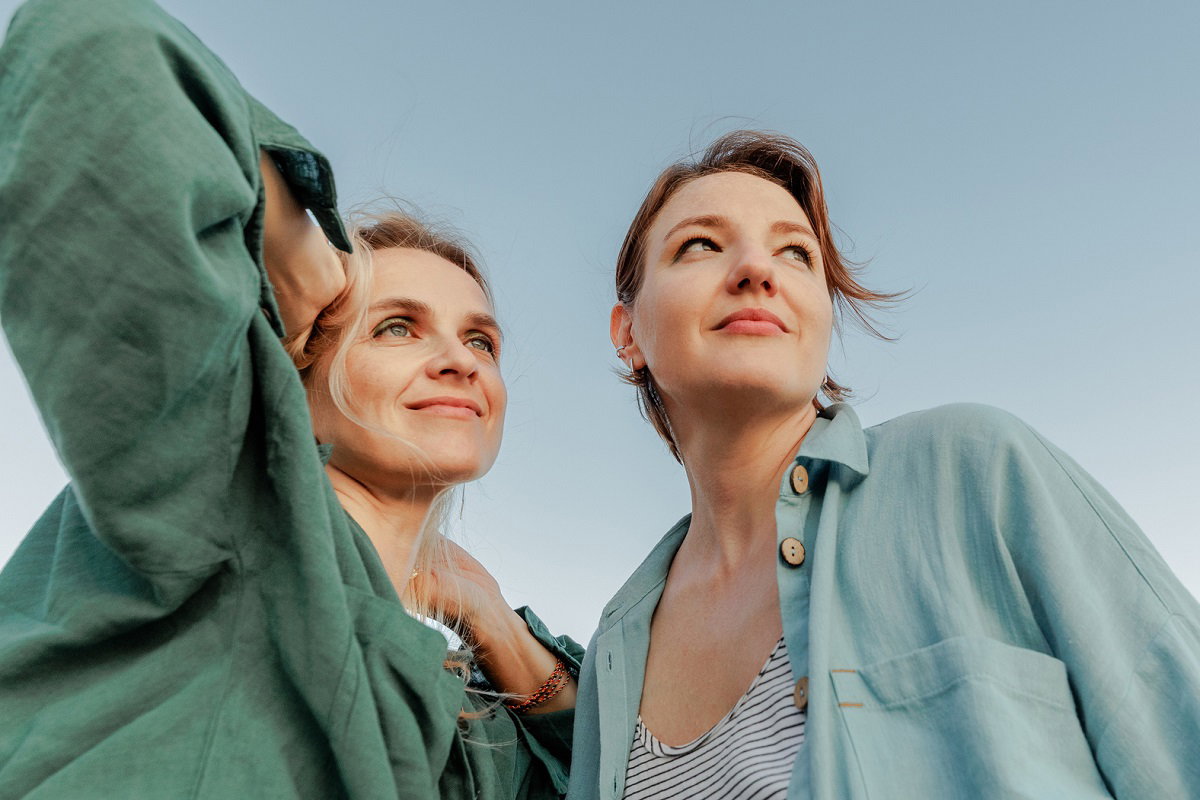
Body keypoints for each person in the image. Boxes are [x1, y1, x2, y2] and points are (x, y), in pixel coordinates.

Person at [0, 0, 579, 797]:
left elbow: (621, 773)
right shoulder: (212, 486)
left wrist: (494, 623)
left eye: (481, 340)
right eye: (398, 328)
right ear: (299, 367)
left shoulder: (461, 720)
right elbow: (91, 46)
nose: (459, 361)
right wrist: (300, 251)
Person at [566, 130, 1200, 799]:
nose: (757, 270)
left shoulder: (976, 471)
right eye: (700, 244)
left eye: (795, 252)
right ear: (627, 333)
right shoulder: (616, 646)